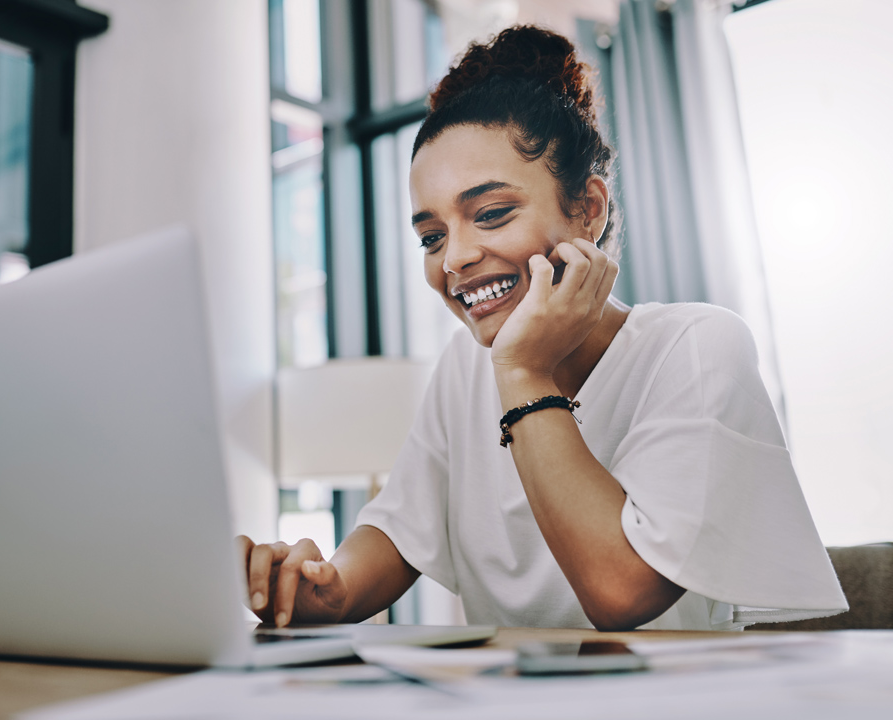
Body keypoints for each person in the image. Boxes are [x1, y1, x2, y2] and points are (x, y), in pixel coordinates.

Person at [237, 25, 847, 631]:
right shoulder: (463, 367)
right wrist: (325, 590)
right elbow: (397, 529)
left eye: (492, 214)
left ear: (587, 211)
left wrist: (524, 372)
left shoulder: (696, 347)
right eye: (432, 236)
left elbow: (620, 591)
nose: (453, 260)